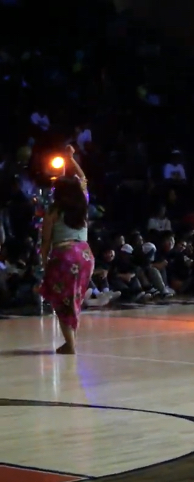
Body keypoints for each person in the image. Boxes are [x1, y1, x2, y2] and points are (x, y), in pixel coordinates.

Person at [38, 146, 95, 354]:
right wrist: (71, 159)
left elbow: (45, 242)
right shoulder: (82, 206)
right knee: (75, 299)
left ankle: (70, 345)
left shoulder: (54, 210)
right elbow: (83, 178)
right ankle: (71, 341)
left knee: (62, 301)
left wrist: (44, 265)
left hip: (65, 255)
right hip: (86, 254)